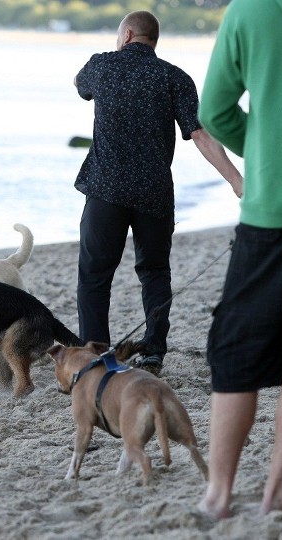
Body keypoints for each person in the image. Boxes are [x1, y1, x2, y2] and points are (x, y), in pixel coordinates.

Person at [197, 0, 282, 519]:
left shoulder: (248, 13)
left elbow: (215, 112)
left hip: (270, 215)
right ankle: (278, 494)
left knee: (235, 354)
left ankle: (218, 495)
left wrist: (270, 148)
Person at [72, 11, 242, 374]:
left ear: (127, 33)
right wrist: (235, 179)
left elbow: (79, 84)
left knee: (94, 277)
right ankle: (152, 352)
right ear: (154, 39)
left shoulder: (102, 66)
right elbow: (200, 135)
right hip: (154, 195)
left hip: (106, 191)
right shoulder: (175, 77)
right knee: (154, 273)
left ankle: (96, 355)